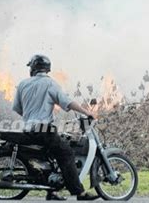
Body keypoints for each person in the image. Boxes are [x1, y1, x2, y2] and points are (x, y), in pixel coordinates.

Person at [12, 55, 99, 201]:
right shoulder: (50, 84)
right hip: (44, 129)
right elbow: (67, 102)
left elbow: (18, 109)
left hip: (28, 129)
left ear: (33, 68)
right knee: (67, 154)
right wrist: (86, 112)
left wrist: (31, 115)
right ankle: (79, 193)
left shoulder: (23, 84)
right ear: (47, 69)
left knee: (50, 156)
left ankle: (51, 192)